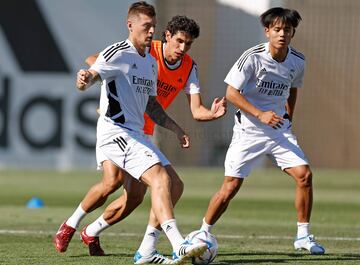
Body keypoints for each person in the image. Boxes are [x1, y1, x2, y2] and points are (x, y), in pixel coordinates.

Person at [54, 14, 226, 264]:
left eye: (188, 44)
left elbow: (195, 110)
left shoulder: (189, 67)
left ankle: (96, 234)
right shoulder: (146, 50)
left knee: (142, 195)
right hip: (117, 127)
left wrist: (210, 114)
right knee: (112, 182)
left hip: (142, 132)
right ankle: (69, 226)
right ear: (166, 36)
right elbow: (97, 61)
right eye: (179, 41)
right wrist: (102, 81)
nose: (182, 49)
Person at [199, 7, 325, 255]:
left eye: (287, 30)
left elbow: (293, 89)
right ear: (267, 31)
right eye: (277, 29)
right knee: (231, 187)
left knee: (305, 176)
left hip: (279, 131)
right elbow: (230, 93)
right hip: (249, 131)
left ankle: (303, 235)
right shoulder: (252, 57)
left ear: (292, 33)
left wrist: (288, 117)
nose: (282, 34)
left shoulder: (298, 61)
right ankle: (203, 231)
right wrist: (260, 114)